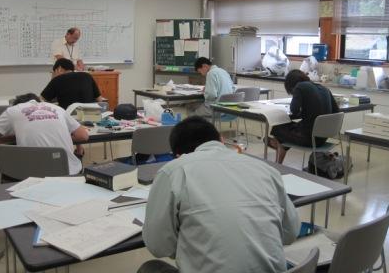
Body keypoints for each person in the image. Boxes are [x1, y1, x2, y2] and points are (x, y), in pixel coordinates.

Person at [139, 116, 300, 273]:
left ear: (178, 155)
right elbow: (291, 233)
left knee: (150, 268)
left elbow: (159, 246)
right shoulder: (266, 170)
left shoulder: (174, 171)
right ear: (221, 140)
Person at [0, 93, 89, 177]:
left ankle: (9, 184)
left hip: (31, 176)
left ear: (17, 104)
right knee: (78, 149)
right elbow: (83, 136)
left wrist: (13, 137)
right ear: (40, 101)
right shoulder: (58, 109)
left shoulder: (13, 111)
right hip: (70, 172)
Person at [270, 69, 340, 163]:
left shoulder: (299, 87)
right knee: (289, 129)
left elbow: (294, 110)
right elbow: (336, 111)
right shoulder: (324, 89)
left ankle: (275, 145)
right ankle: (279, 153)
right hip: (323, 138)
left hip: (309, 139)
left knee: (277, 128)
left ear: (291, 86)